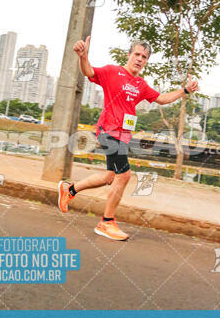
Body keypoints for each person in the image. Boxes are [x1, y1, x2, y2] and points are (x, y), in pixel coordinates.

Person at [58, 36, 199, 241]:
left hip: (123, 136)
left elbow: (161, 99)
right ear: (129, 55)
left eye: (144, 56)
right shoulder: (112, 72)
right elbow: (89, 71)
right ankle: (107, 222)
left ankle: (69, 189)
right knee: (124, 176)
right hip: (108, 131)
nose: (140, 59)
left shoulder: (141, 84)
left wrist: (184, 91)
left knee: (109, 177)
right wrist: (83, 56)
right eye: (137, 54)